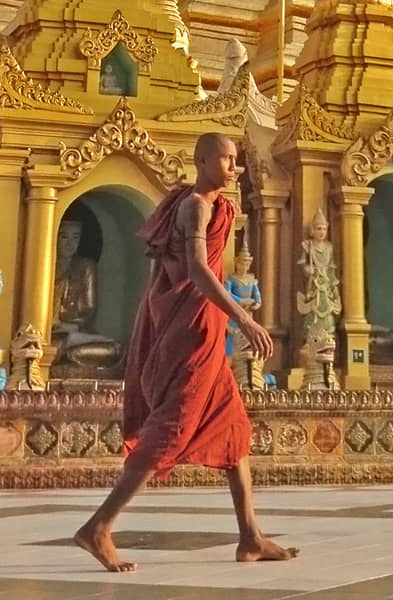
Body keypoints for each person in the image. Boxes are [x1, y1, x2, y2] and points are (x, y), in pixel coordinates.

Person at [73, 133, 298, 573]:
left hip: (205, 328)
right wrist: (245, 318)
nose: (234, 168)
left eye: (237, 160)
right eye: (226, 159)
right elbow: (195, 270)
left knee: (233, 429)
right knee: (172, 427)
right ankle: (99, 526)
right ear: (202, 159)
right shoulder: (195, 204)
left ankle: (250, 536)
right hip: (190, 331)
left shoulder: (216, 206)